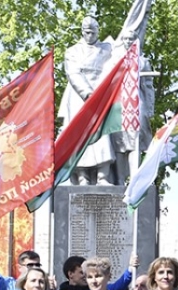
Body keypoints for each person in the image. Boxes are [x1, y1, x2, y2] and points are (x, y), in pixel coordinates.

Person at [62, 16, 116, 184]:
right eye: (87, 32)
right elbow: (73, 73)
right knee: (81, 136)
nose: (90, 35)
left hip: (102, 94)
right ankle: (82, 175)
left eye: (93, 32)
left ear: (98, 31)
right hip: (80, 97)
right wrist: (87, 93)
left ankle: (103, 175)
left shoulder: (108, 49)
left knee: (103, 135)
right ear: (82, 32)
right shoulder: (72, 51)